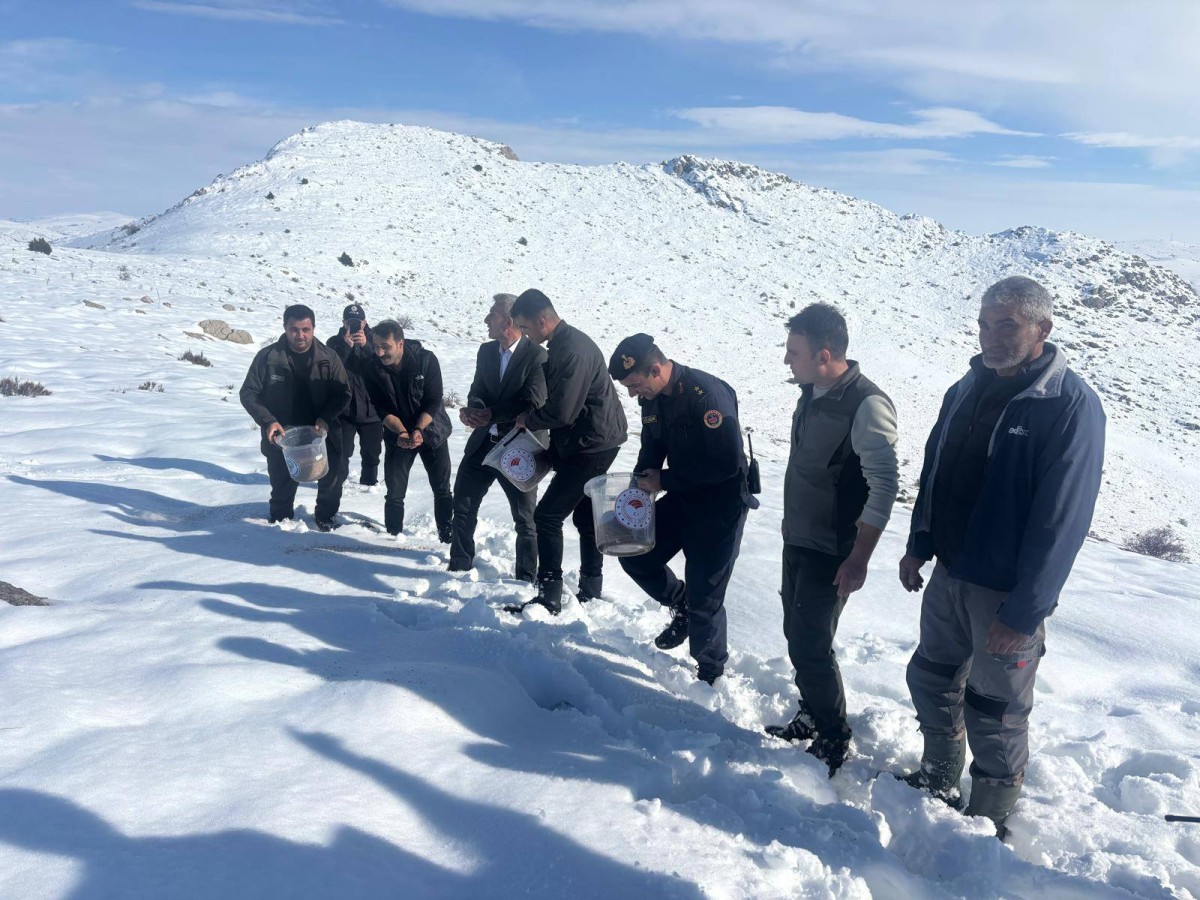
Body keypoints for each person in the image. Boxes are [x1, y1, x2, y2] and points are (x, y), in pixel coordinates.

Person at [899, 276, 1105, 836]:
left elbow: (1062, 518)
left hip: (1004, 592)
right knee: (932, 677)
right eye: (984, 324)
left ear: (1042, 329)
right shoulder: (966, 387)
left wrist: (1025, 611)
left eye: (1006, 325)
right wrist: (919, 543)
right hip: (950, 571)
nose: (991, 336)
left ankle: (991, 814)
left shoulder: (1067, 405)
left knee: (996, 708)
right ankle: (939, 773)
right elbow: (936, 470)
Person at [763, 304, 899, 775]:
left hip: (834, 547)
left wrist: (859, 557)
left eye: (793, 352)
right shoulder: (811, 391)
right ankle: (812, 712)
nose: (787, 360)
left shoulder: (865, 404)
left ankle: (834, 736)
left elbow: (884, 485)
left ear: (823, 356)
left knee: (811, 643)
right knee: (796, 633)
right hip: (800, 538)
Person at [608, 335, 758, 686]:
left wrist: (663, 480)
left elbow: (725, 465)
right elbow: (652, 447)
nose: (632, 394)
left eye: (634, 385)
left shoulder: (706, 395)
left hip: (720, 505)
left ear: (655, 369)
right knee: (635, 554)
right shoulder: (652, 399)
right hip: (682, 495)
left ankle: (710, 675)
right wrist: (637, 491)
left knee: (706, 594)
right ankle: (682, 606)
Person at [506, 288, 627, 615]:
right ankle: (591, 587)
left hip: (593, 445)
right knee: (586, 516)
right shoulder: (564, 343)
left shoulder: (572, 350)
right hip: (592, 440)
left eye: (525, 328)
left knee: (546, 516)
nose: (526, 336)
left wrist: (528, 420)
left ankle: (549, 595)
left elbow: (562, 412)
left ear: (541, 320)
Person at [449, 294, 548, 580]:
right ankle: (459, 567)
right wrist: (474, 410)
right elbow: (478, 389)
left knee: (525, 519)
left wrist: (490, 414)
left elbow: (533, 402)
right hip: (483, 443)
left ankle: (525, 579)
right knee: (463, 505)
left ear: (508, 321)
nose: (485, 320)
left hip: (520, 448)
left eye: (491, 315)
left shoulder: (537, 356)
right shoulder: (486, 351)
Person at [239, 304, 350, 530]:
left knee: (331, 477)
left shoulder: (328, 357)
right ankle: (280, 522)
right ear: (285, 328)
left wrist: (326, 418)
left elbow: (343, 393)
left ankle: (326, 517)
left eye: (305, 329)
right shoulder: (268, 357)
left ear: (313, 328)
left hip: (321, 430)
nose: (300, 335)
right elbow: (248, 393)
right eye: (294, 329)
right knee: (282, 480)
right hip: (283, 431)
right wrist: (268, 421)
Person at [351, 320, 454, 543]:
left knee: (442, 489)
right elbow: (381, 408)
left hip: (432, 430)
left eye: (385, 346)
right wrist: (402, 433)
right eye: (376, 346)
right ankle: (392, 538)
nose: (380, 352)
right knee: (395, 492)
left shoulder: (426, 360)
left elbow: (433, 400)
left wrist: (418, 429)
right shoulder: (372, 367)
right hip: (397, 433)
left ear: (400, 343)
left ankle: (447, 539)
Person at [326, 303, 383, 487]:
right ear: (344, 323)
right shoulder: (334, 343)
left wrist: (366, 346)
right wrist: (345, 347)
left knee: (372, 452)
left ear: (364, 322)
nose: (354, 326)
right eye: (350, 322)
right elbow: (329, 371)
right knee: (342, 450)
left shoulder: (377, 341)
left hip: (373, 409)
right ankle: (339, 482)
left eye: (358, 322)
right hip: (345, 410)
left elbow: (382, 367)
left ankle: (369, 485)